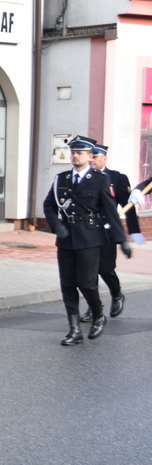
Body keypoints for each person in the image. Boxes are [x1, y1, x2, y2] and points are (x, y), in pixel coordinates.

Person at [43, 136, 129, 346]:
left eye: (79, 153)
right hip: (66, 239)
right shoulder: (61, 179)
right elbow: (49, 206)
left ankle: (98, 315)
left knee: (87, 283)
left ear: (90, 156)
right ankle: (74, 330)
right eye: (72, 152)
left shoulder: (100, 180)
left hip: (90, 237)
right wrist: (56, 225)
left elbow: (110, 212)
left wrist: (121, 240)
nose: (74, 156)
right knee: (68, 285)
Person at [82, 144, 144, 321]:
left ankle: (117, 295)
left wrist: (133, 233)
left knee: (105, 269)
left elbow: (128, 208)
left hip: (108, 230)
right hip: (87, 230)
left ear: (104, 158)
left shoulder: (117, 178)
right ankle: (94, 308)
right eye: (90, 156)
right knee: (89, 271)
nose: (92, 160)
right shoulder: (83, 177)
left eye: (96, 156)